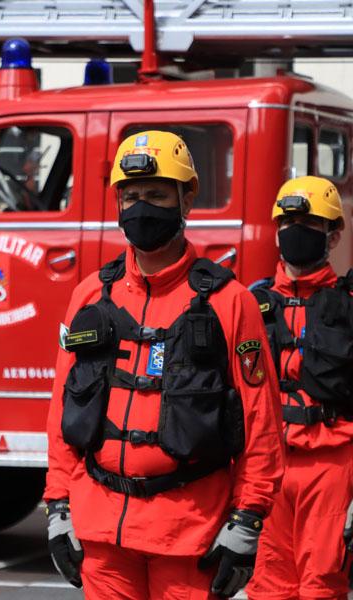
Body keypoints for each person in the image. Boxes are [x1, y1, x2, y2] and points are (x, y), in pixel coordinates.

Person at [44, 130, 284, 599]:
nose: (141, 208)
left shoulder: (230, 302)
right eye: (130, 196)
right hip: (102, 534)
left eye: (155, 194)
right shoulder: (91, 296)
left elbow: (261, 424)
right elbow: (61, 411)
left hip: (190, 533)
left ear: (187, 197)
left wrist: (247, 521)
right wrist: (57, 506)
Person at [246, 176, 353, 600]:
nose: (295, 230)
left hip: (332, 465)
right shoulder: (250, 304)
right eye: (288, 221)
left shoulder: (347, 304)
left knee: (321, 585)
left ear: (334, 235)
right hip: (266, 466)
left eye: (309, 222)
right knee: (267, 585)